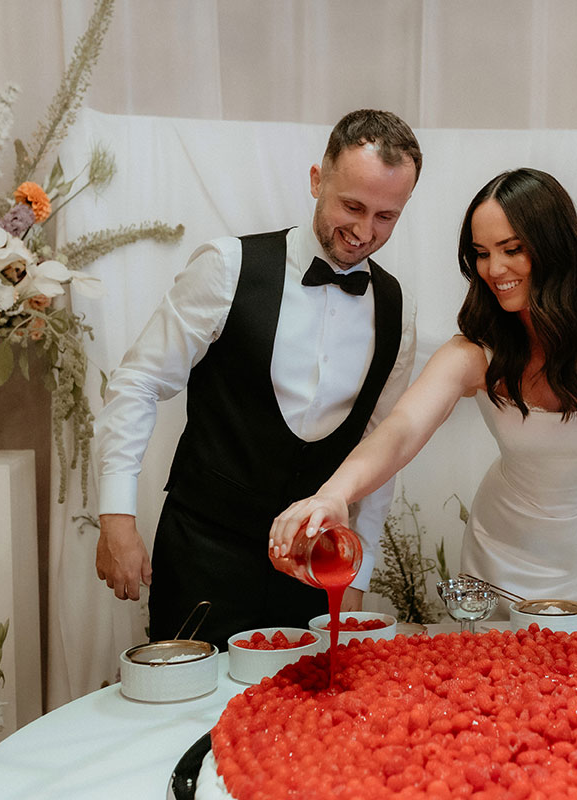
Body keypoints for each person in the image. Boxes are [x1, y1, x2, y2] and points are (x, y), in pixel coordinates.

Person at [270, 168, 577, 616]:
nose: (495, 270)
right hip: (506, 554)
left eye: (512, 249)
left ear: (555, 246)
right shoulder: (476, 349)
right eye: (482, 253)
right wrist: (333, 494)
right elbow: (402, 430)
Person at [94, 110, 422, 647]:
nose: (365, 231)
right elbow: (139, 382)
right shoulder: (226, 267)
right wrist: (116, 516)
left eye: (386, 216)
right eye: (352, 206)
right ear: (318, 180)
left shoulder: (396, 310)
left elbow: (380, 451)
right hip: (204, 554)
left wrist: (357, 577)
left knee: (306, 725)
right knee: (188, 723)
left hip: (316, 568)